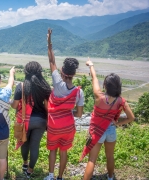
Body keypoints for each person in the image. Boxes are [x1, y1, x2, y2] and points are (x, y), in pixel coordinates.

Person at [81, 58, 135, 180]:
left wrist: (91, 65)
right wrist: (116, 124)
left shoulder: (99, 96)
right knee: (110, 156)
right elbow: (131, 117)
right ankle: (110, 177)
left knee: (92, 160)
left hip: (97, 131)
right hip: (110, 130)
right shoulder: (121, 101)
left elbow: (94, 78)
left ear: (105, 85)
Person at [44, 29, 84, 180]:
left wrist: (49, 43)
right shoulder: (79, 92)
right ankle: (60, 177)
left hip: (54, 125)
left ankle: (50, 176)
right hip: (68, 127)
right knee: (64, 151)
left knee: (52, 150)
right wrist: (67, 111)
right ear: (74, 74)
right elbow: (79, 114)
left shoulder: (57, 81)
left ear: (62, 71)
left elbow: (51, 61)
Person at [11, 61, 51, 178]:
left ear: (26, 72)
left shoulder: (22, 86)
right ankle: (30, 170)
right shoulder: (44, 86)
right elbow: (47, 107)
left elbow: (14, 105)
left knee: (24, 143)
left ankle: (25, 163)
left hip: (26, 121)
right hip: (41, 121)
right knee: (35, 146)